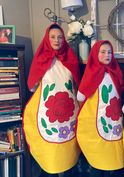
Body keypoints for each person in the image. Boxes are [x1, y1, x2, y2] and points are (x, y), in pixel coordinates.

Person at [23, 23, 81, 175]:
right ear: (47, 39)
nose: (57, 40)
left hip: (69, 111)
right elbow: (32, 86)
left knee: (67, 146)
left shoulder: (70, 58)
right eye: (53, 37)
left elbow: (76, 84)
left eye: (60, 37)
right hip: (49, 112)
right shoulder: (41, 59)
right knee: (51, 149)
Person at [76, 40, 124, 173]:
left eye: (109, 52)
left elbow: (120, 91)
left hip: (113, 117)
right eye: (102, 52)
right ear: (96, 53)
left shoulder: (115, 72)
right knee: (98, 153)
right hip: (95, 118)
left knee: (113, 150)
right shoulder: (92, 72)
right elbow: (80, 96)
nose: (107, 55)